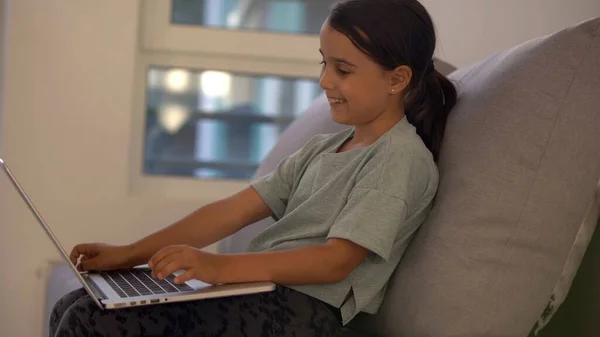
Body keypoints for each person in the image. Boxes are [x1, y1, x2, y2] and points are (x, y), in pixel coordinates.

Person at [49, 0, 457, 336]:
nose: (324, 82)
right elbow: (231, 211)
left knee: (88, 322)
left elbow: (335, 262)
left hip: (304, 316)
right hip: (264, 296)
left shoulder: (398, 158)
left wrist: (219, 267)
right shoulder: (325, 149)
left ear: (397, 79)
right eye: (324, 64)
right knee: (75, 305)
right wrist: (130, 254)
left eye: (343, 70)